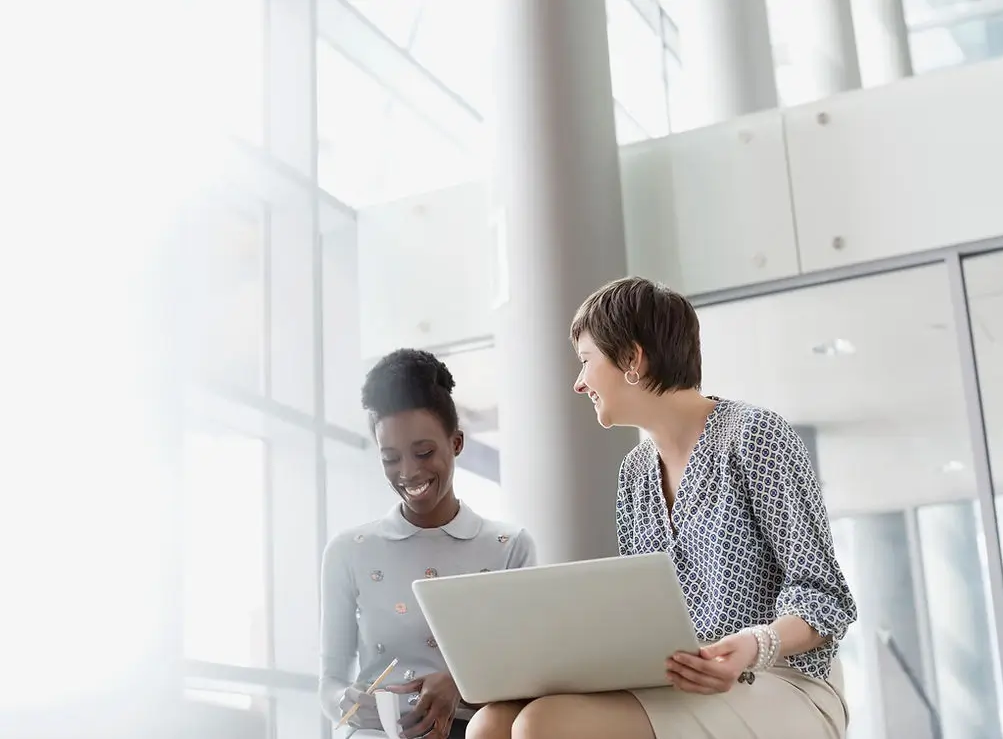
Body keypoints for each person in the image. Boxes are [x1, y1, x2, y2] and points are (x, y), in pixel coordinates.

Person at [467, 277, 857, 739]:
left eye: (586, 361)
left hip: (784, 683)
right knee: (489, 724)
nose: (578, 383)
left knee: (541, 725)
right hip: (676, 684)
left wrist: (754, 645)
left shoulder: (754, 435)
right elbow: (643, 615)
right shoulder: (634, 475)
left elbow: (825, 596)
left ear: (632, 359)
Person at [319, 349, 536, 739]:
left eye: (424, 453)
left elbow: (524, 671)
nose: (408, 472)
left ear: (456, 443)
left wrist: (459, 685)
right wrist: (345, 703)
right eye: (390, 458)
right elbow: (330, 680)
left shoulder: (509, 546)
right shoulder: (349, 551)